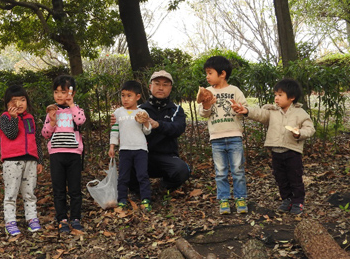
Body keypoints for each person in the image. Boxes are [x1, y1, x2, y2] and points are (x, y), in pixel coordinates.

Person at [231, 78, 315, 215]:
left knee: (295, 178)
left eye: (280, 95)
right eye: (275, 95)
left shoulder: (300, 113)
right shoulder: (272, 111)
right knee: (280, 178)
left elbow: (310, 129)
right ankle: (287, 199)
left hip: (292, 152)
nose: (276, 98)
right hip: (276, 151)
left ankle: (298, 201)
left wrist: (299, 133)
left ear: (292, 97)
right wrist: (245, 110)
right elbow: (259, 114)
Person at [111, 70, 190, 195]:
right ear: (150, 87)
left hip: (167, 156)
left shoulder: (176, 109)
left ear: (170, 88)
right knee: (127, 164)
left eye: (165, 85)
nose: (160, 88)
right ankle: (138, 191)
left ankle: (163, 187)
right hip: (142, 154)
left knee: (182, 170)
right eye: (157, 83)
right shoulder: (139, 109)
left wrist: (158, 125)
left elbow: (178, 129)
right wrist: (117, 121)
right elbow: (123, 122)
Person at [198, 56, 248, 215]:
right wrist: (207, 104)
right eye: (206, 73)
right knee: (220, 171)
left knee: (238, 170)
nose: (207, 76)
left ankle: (240, 198)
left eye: (210, 72)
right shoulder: (207, 92)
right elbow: (203, 114)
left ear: (222, 74)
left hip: (234, 137)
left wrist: (238, 108)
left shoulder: (234, 91)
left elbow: (244, 108)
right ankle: (224, 200)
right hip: (216, 139)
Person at [42, 75, 86, 233]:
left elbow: (81, 121)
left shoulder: (76, 110)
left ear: (71, 93)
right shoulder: (51, 112)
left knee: (74, 189)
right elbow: (45, 134)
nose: (59, 95)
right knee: (59, 189)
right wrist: (52, 122)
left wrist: (72, 104)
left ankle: (75, 218)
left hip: (74, 154)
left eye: (63, 91)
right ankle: (62, 219)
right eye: (56, 92)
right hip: (56, 154)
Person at [0, 85, 43, 236]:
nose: (18, 104)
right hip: (12, 161)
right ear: (7, 104)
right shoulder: (5, 117)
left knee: (29, 192)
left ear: (27, 102)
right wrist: (13, 118)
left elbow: (36, 140)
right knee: (11, 193)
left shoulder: (30, 118)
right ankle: (10, 222)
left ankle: (32, 219)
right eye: (14, 101)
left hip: (30, 160)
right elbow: (11, 134)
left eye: (22, 100)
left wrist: (40, 160)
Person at [109, 80, 152, 211]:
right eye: (123, 95)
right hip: (125, 149)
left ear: (137, 97)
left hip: (140, 149)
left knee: (142, 175)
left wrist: (145, 122)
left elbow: (147, 131)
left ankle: (146, 199)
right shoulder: (118, 113)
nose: (125, 99)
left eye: (129, 95)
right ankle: (122, 199)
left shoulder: (142, 112)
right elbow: (115, 130)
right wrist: (112, 146)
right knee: (123, 175)